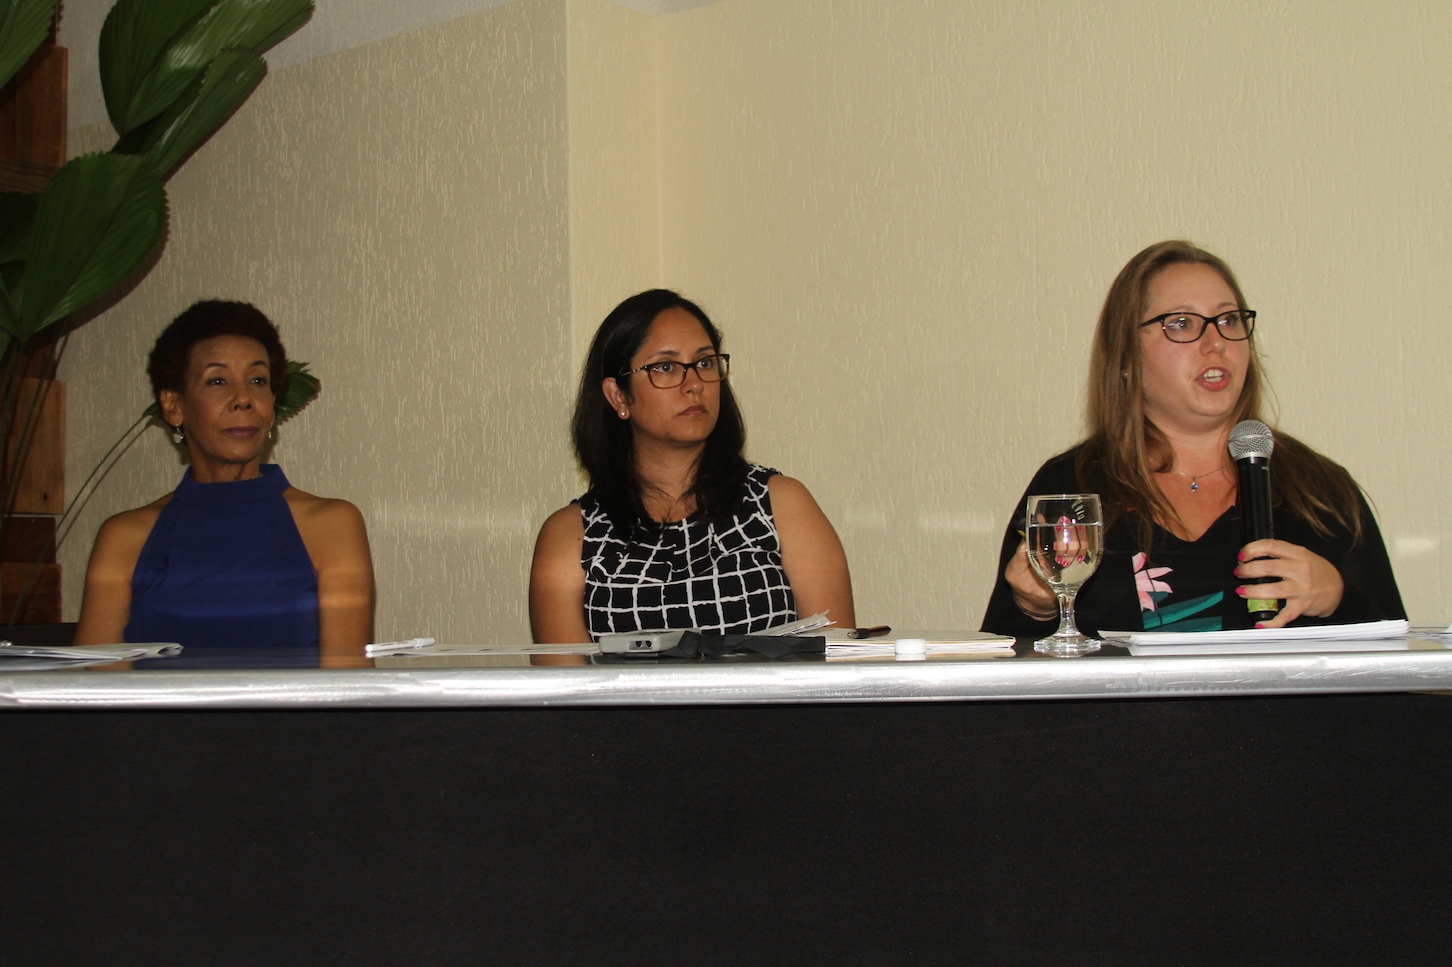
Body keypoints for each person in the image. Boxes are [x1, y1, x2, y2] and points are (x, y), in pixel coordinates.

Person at [982, 241, 1404, 638]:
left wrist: (1339, 600)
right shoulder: (1072, 488)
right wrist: (1033, 608)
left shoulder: (1318, 492)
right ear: (1126, 356)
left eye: (1229, 320)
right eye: (1181, 323)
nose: (1216, 342)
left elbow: (1399, 674)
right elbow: (1003, 671)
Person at [530, 289, 855, 643]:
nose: (695, 384)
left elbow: (835, 667)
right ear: (618, 396)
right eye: (666, 367)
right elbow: (566, 691)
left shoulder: (781, 504)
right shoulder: (571, 536)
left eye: (704, 363)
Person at [74, 300, 375, 654]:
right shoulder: (125, 537)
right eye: (217, 380)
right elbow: (96, 691)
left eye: (257, 381)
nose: (243, 398)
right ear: (173, 405)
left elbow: (346, 687)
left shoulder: (332, 525)